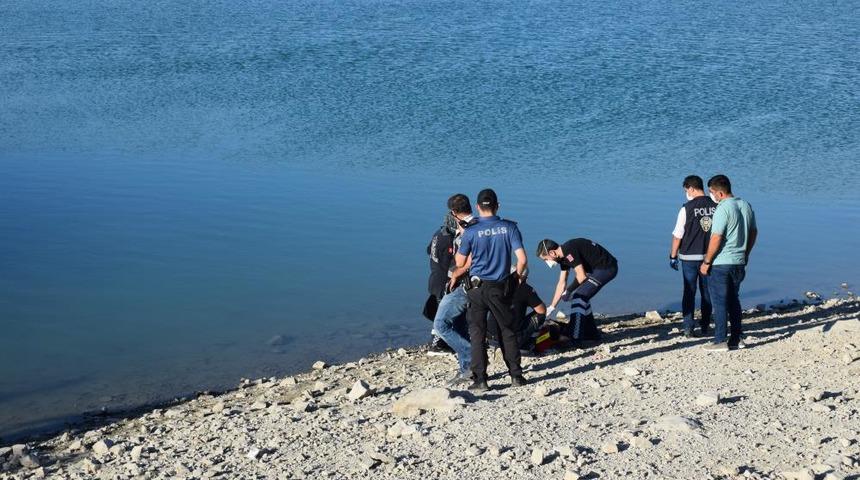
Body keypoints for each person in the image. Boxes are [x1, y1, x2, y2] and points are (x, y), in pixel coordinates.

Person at [454, 188, 528, 392]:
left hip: (476, 288)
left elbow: (460, 262)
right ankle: (516, 376)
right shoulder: (509, 228)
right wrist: (518, 277)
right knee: (507, 330)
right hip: (500, 287)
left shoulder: (470, 230)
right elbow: (522, 259)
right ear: (497, 206)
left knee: (477, 333)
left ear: (477, 207)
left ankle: (481, 380)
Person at [700, 174, 758, 352]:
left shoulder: (723, 208)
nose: (711, 196)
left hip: (721, 263)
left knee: (719, 301)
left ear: (719, 193)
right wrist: (746, 253)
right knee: (734, 301)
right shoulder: (745, 205)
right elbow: (754, 232)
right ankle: (737, 338)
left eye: (711, 192)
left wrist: (707, 261)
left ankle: (720, 340)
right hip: (739, 261)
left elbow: (716, 237)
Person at [536, 238, 618, 343]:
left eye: (545, 259)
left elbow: (581, 276)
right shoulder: (563, 258)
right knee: (583, 297)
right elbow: (561, 283)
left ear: (552, 253)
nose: (546, 262)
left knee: (579, 297)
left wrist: (569, 291)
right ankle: (591, 333)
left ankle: (575, 336)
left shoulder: (569, 251)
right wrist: (552, 307)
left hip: (606, 268)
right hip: (596, 270)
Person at [432, 194, 476, 386]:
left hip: (465, 284)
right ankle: (467, 369)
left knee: (441, 324)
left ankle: (474, 359)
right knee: (458, 326)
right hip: (470, 283)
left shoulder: (470, 229)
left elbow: (471, 258)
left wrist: (457, 274)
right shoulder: (476, 224)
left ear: (453, 212)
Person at [669, 175, 717, 338]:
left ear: (691, 188)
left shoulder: (686, 208)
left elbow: (677, 235)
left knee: (689, 292)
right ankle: (705, 325)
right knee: (707, 292)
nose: (686, 193)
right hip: (709, 257)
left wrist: (673, 255)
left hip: (689, 257)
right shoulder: (716, 206)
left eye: (685, 190)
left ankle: (688, 327)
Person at [487, 266, 547, 353]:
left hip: (491, 338)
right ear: (523, 277)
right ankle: (527, 341)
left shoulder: (495, 285)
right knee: (540, 315)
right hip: (512, 341)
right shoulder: (526, 289)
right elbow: (542, 310)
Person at [424, 213, 458, 355]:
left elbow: (428, 250)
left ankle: (438, 341)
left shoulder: (438, 233)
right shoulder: (448, 240)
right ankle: (437, 344)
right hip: (443, 281)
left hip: (434, 278)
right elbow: (450, 265)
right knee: (442, 314)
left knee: (440, 311)